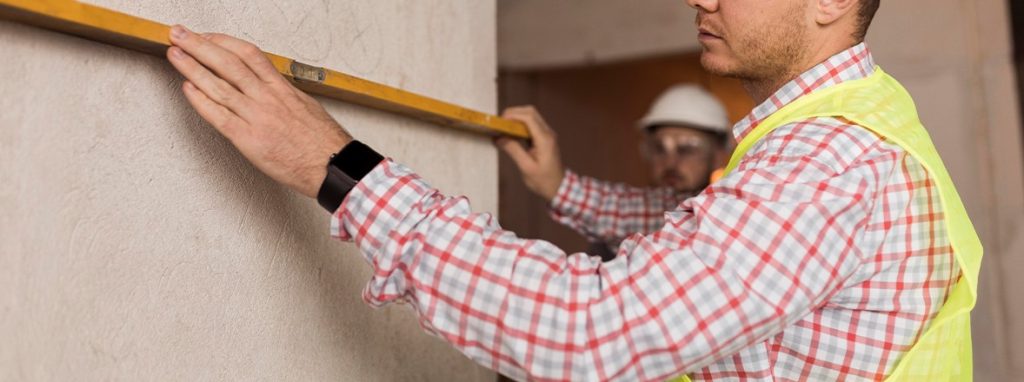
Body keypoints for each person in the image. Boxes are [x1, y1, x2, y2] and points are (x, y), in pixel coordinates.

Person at [163, 0, 982, 380]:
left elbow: (589, 329)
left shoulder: (826, 164)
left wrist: (336, 167)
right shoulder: (861, 125)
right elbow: (684, 228)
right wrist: (563, 186)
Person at [580, 85, 733, 261]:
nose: (670, 162)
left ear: (719, 156)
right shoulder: (611, 240)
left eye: (687, 149)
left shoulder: (726, 220)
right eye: (659, 148)